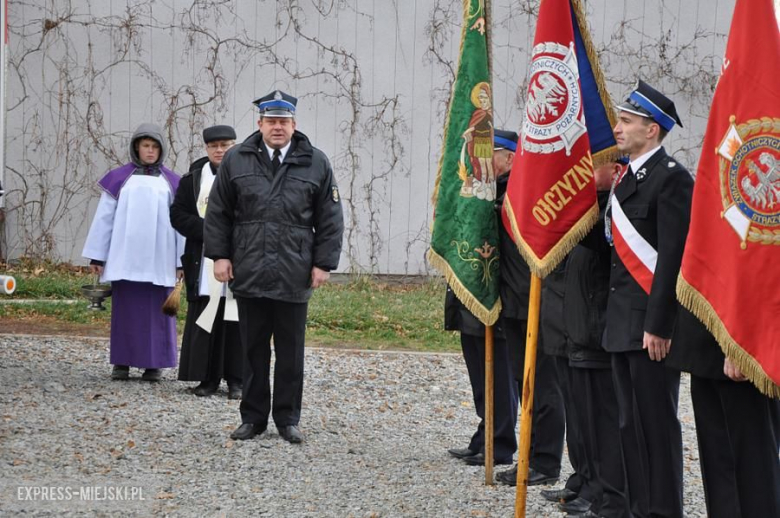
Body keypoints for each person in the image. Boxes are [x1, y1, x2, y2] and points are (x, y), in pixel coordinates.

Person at [204, 90, 344, 444]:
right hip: (249, 269)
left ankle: (286, 419)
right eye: (271, 121)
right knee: (252, 350)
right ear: (260, 124)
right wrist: (220, 256)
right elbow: (218, 212)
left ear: (294, 124)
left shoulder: (316, 162)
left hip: (294, 272)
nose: (277, 127)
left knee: (290, 352)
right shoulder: (237, 159)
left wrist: (323, 263)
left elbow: (331, 217)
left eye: (284, 122)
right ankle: (252, 418)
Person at [603, 80, 693, 518]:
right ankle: (639, 509)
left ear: (651, 129)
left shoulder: (672, 179)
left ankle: (663, 511)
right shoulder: (626, 177)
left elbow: (672, 260)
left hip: (647, 329)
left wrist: (659, 324)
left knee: (656, 427)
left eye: (626, 121)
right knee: (628, 426)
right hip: (621, 323)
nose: (617, 128)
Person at [550, 160, 629, 518]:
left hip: (596, 330)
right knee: (581, 415)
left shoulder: (611, 208)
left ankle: (601, 486)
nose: (583, 170)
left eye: (592, 164)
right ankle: (585, 476)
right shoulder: (592, 205)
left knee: (602, 420)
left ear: (614, 170)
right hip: (575, 326)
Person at [82, 123, 183, 382]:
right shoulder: (120, 179)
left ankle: (154, 364)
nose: (150, 151)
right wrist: (97, 255)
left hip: (159, 258)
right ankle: (122, 362)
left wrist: (181, 261)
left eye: (155, 147)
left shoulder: (172, 183)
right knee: (126, 312)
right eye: (146, 146)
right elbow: (105, 218)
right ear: (136, 147)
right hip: (125, 258)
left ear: (161, 150)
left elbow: (181, 224)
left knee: (158, 314)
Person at [493, 131, 567, 488]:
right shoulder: (498, 192)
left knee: (544, 386)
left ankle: (546, 461)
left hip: (536, 303)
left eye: (492, 153)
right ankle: (530, 454)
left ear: (511, 157)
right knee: (526, 387)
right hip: (514, 302)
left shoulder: (525, 193)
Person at [445, 129, 520, 468]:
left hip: (498, 297)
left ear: (510, 158)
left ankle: (501, 441)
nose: (482, 160)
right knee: (479, 371)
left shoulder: (514, 193)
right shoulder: (477, 190)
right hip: (470, 297)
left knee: (499, 373)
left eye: (492, 154)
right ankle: (485, 432)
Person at [668, 308, 780, 518]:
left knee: (756, 471)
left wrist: (742, 341)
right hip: (703, 337)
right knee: (717, 468)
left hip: (745, 343)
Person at [171, 124, 243, 399]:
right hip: (202, 261)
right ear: (206, 148)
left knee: (236, 320)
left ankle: (237, 380)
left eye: (225, 145)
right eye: (214, 146)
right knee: (205, 318)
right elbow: (177, 215)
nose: (219, 150)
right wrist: (209, 230)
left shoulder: (248, 176)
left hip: (238, 258)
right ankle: (207, 378)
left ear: (234, 146)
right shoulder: (191, 180)